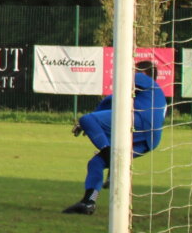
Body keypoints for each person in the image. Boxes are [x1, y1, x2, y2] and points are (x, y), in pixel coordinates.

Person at [64, 58, 169, 215]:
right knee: (96, 163)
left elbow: (113, 96)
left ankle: (110, 154)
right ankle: (88, 202)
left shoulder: (145, 80)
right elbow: (112, 102)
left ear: (143, 73)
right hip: (150, 140)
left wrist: (90, 121)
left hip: (140, 122)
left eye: (135, 71)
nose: (132, 74)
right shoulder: (150, 94)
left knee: (87, 119)